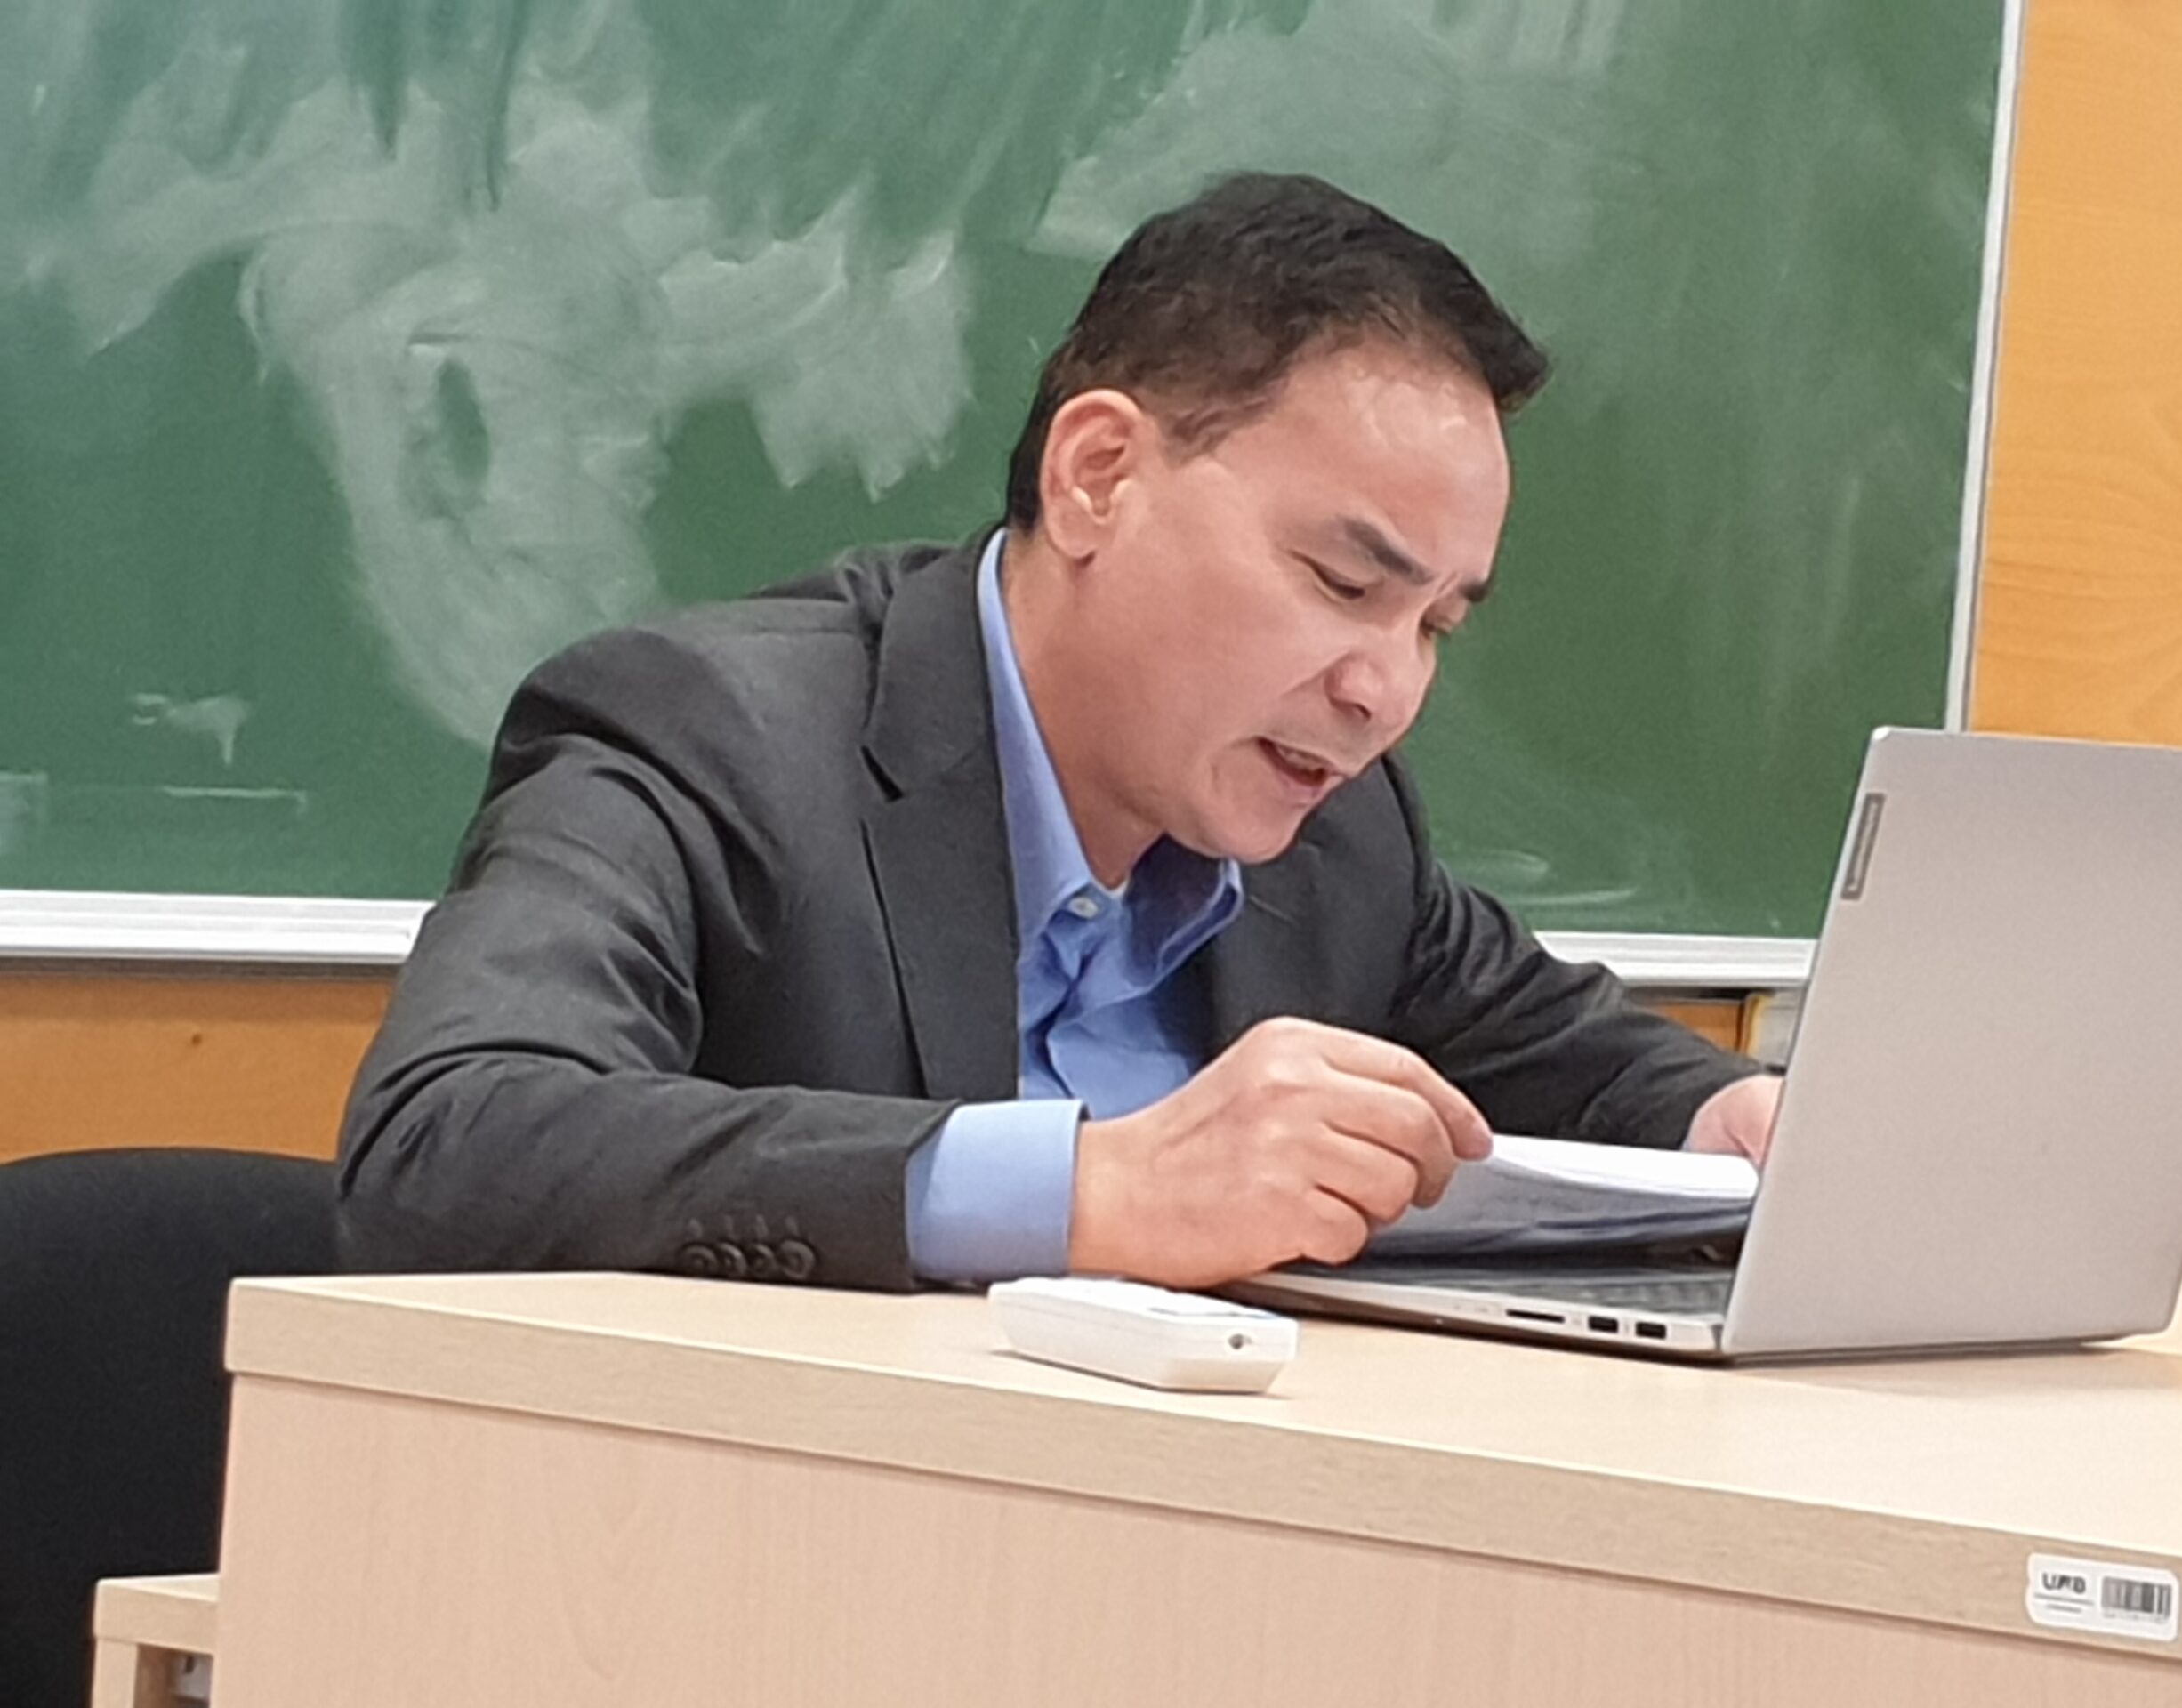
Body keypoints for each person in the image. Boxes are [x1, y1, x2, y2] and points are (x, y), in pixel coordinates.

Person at [338, 172, 1780, 1293]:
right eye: (1345, 586)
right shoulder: (709, 738)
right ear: (1098, 476)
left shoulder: (1338, 836)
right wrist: (1093, 1192)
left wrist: (1728, 1121)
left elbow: (1592, 1069)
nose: (1384, 691)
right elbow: (447, 1147)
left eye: (1436, 626)